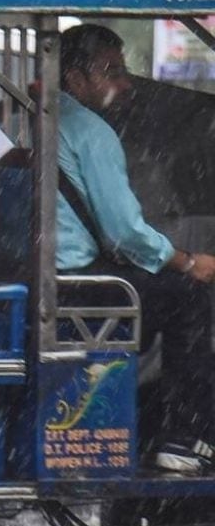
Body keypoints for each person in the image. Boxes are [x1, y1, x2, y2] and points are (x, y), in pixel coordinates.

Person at [57, 24, 215, 474]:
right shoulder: (91, 133)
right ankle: (185, 436)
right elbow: (125, 232)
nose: (125, 84)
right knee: (187, 298)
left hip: (48, 276)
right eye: (112, 72)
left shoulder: (41, 117)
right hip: (78, 286)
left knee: (163, 290)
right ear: (75, 80)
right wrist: (188, 261)